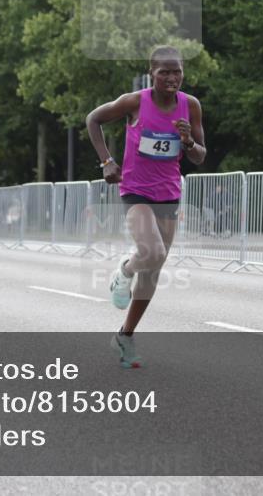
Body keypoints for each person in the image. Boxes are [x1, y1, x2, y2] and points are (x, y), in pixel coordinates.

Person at [86, 45, 206, 368]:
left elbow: (199, 156)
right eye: (164, 72)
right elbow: (93, 119)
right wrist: (107, 161)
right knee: (151, 253)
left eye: (177, 71)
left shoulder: (190, 106)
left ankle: (124, 335)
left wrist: (189, 143)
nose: (171, 78)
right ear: (151, 73)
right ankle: (124, 270)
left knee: (153, 270)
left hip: (168, 193)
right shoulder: (135, 102)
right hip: (136, 191)